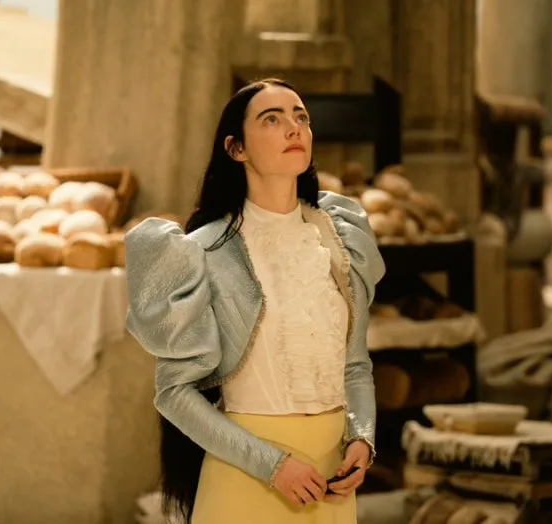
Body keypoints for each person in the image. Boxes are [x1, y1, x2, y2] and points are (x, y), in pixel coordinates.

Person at [125, 78, 386, 523]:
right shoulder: (203, 251)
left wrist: (362, 437)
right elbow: (174, 393)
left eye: (301, 117)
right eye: (272, 119)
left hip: (332, 486)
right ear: (236, 149)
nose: (294, 128)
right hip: (247, 480)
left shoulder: (340, 240)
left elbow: (356, 365)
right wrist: (273, 465)